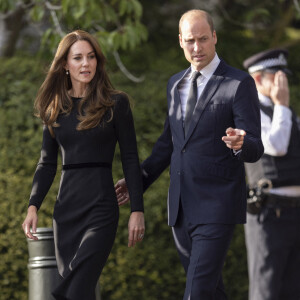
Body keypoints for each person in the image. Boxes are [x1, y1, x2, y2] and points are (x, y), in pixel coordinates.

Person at [115, 9, 264, 300]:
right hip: (181, 209)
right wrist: (137, 183)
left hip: (217, 206)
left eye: (203, 39)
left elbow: (255, 146)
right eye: (190, 41)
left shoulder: (238, 83)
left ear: (215, 37)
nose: (197, 48)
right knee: (210, 292)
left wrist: (240, 144)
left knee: (195, 293)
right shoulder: (175, 85)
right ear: (180, 42)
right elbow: (167, 145)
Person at [22, 30, 145, 300]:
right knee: (82, 292)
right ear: (65, 64)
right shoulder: (54, 108)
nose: (86, 63)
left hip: (101, 207)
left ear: (98, 62)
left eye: (91, 57)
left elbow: (130, 159)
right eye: (78, 58)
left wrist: (137, 209)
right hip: (66, 211)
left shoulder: (116, 104)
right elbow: (46, 164)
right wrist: (33, 206)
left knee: (76, 289)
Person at [243, 48, 300, 300]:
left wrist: (284, 108)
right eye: (276, 76)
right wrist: (282, 105)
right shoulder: (248, 111)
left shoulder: (286, 113)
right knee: (266, 288)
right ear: (257, 79)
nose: (282, 82)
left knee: (292, 288)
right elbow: (276, 146)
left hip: (295, 211)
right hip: (268, 213)